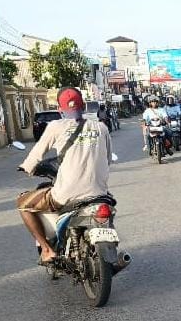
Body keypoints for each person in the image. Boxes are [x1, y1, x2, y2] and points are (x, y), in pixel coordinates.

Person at [16, 87, 112, 264]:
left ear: (60, 109)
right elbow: (108, 159)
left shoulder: (55, 126)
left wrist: (26, 167)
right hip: (99, 192)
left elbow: (36, 154)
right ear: (84, 106)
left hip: (66, 194)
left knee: (23, 203)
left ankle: (47, 250)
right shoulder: (101, 127)